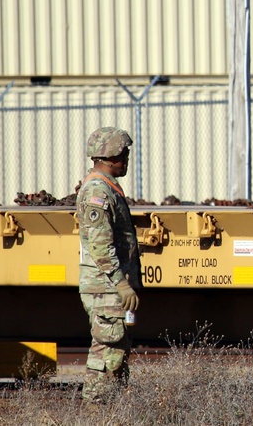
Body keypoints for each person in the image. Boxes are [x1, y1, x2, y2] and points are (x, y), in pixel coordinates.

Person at [77, 126, 141, 402]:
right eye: (123, 153)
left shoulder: (108, 188)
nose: (126, 159)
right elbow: (100, 245)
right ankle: (96, 409)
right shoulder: (98, 192)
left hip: (111, 287)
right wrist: (121, 283)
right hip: (106, 287)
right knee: (107, 352)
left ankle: (111, 408)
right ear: (110, 155)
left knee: (117, 354)